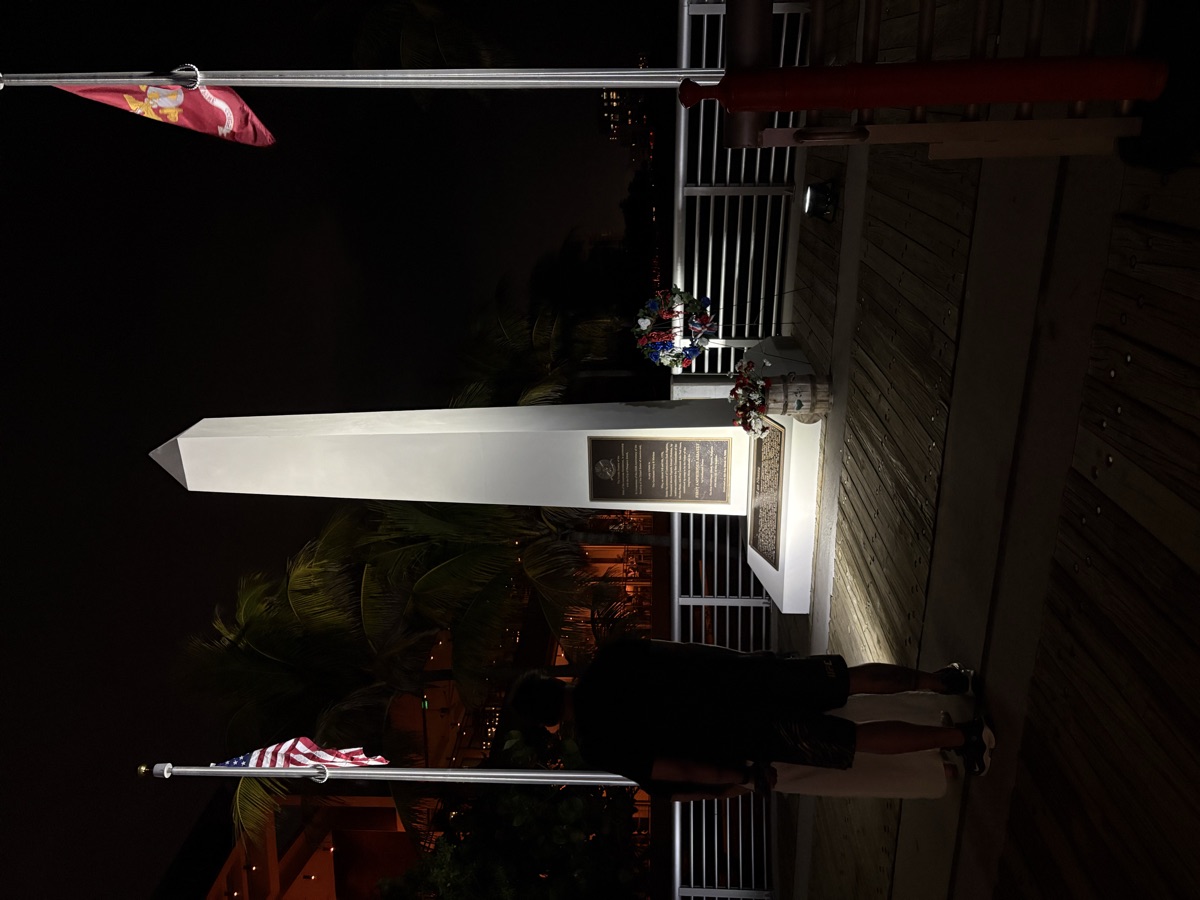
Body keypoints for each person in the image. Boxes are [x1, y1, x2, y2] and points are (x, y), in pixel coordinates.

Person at [508, 638, 993, 800]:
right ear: (555, 681)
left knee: (855, 742)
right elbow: (687, 652)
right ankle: (942, 681)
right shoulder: (611, 657)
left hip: (752, 734)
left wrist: (740, 778)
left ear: (549, 722)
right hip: (749, 677)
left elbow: (675, 771)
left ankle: (963, 736)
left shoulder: (598, 746)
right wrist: (746, 661)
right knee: (850, 680)